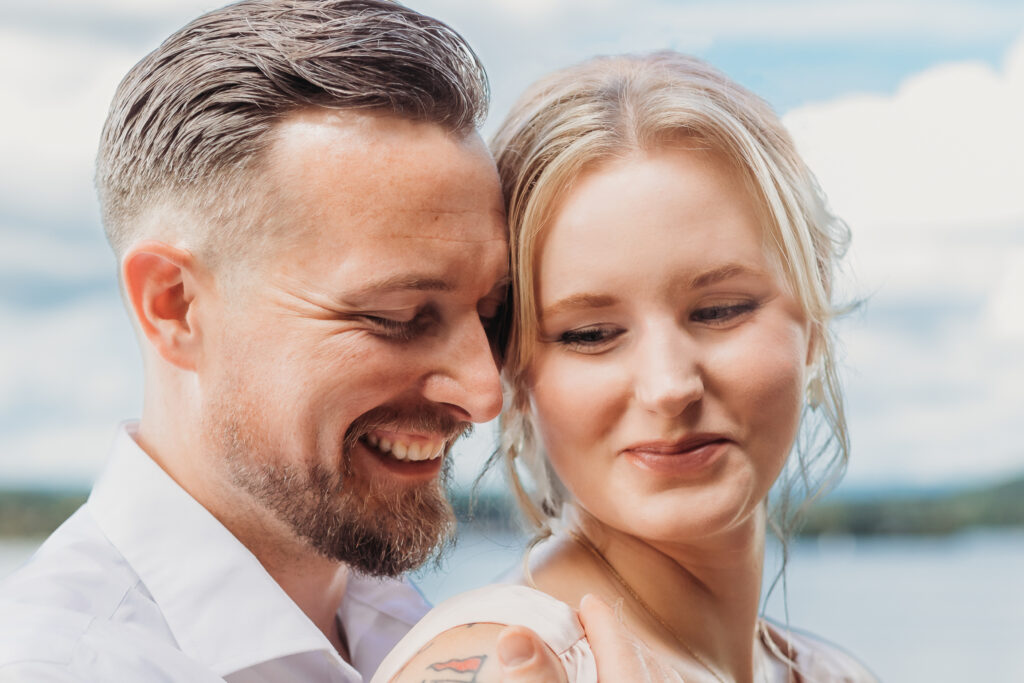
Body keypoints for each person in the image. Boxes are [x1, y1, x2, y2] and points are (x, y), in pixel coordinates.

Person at [0, 2, 657, 681]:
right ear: (175, 305)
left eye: (491, 313)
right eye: (398, 315)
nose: (485, 394)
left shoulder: (423, 627)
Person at [374, 52, 878, 682]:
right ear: (513, 368)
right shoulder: (507, 664)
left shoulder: (831, 672)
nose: (670, 387)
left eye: (720, 311)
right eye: (590, 334)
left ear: (814, 314)